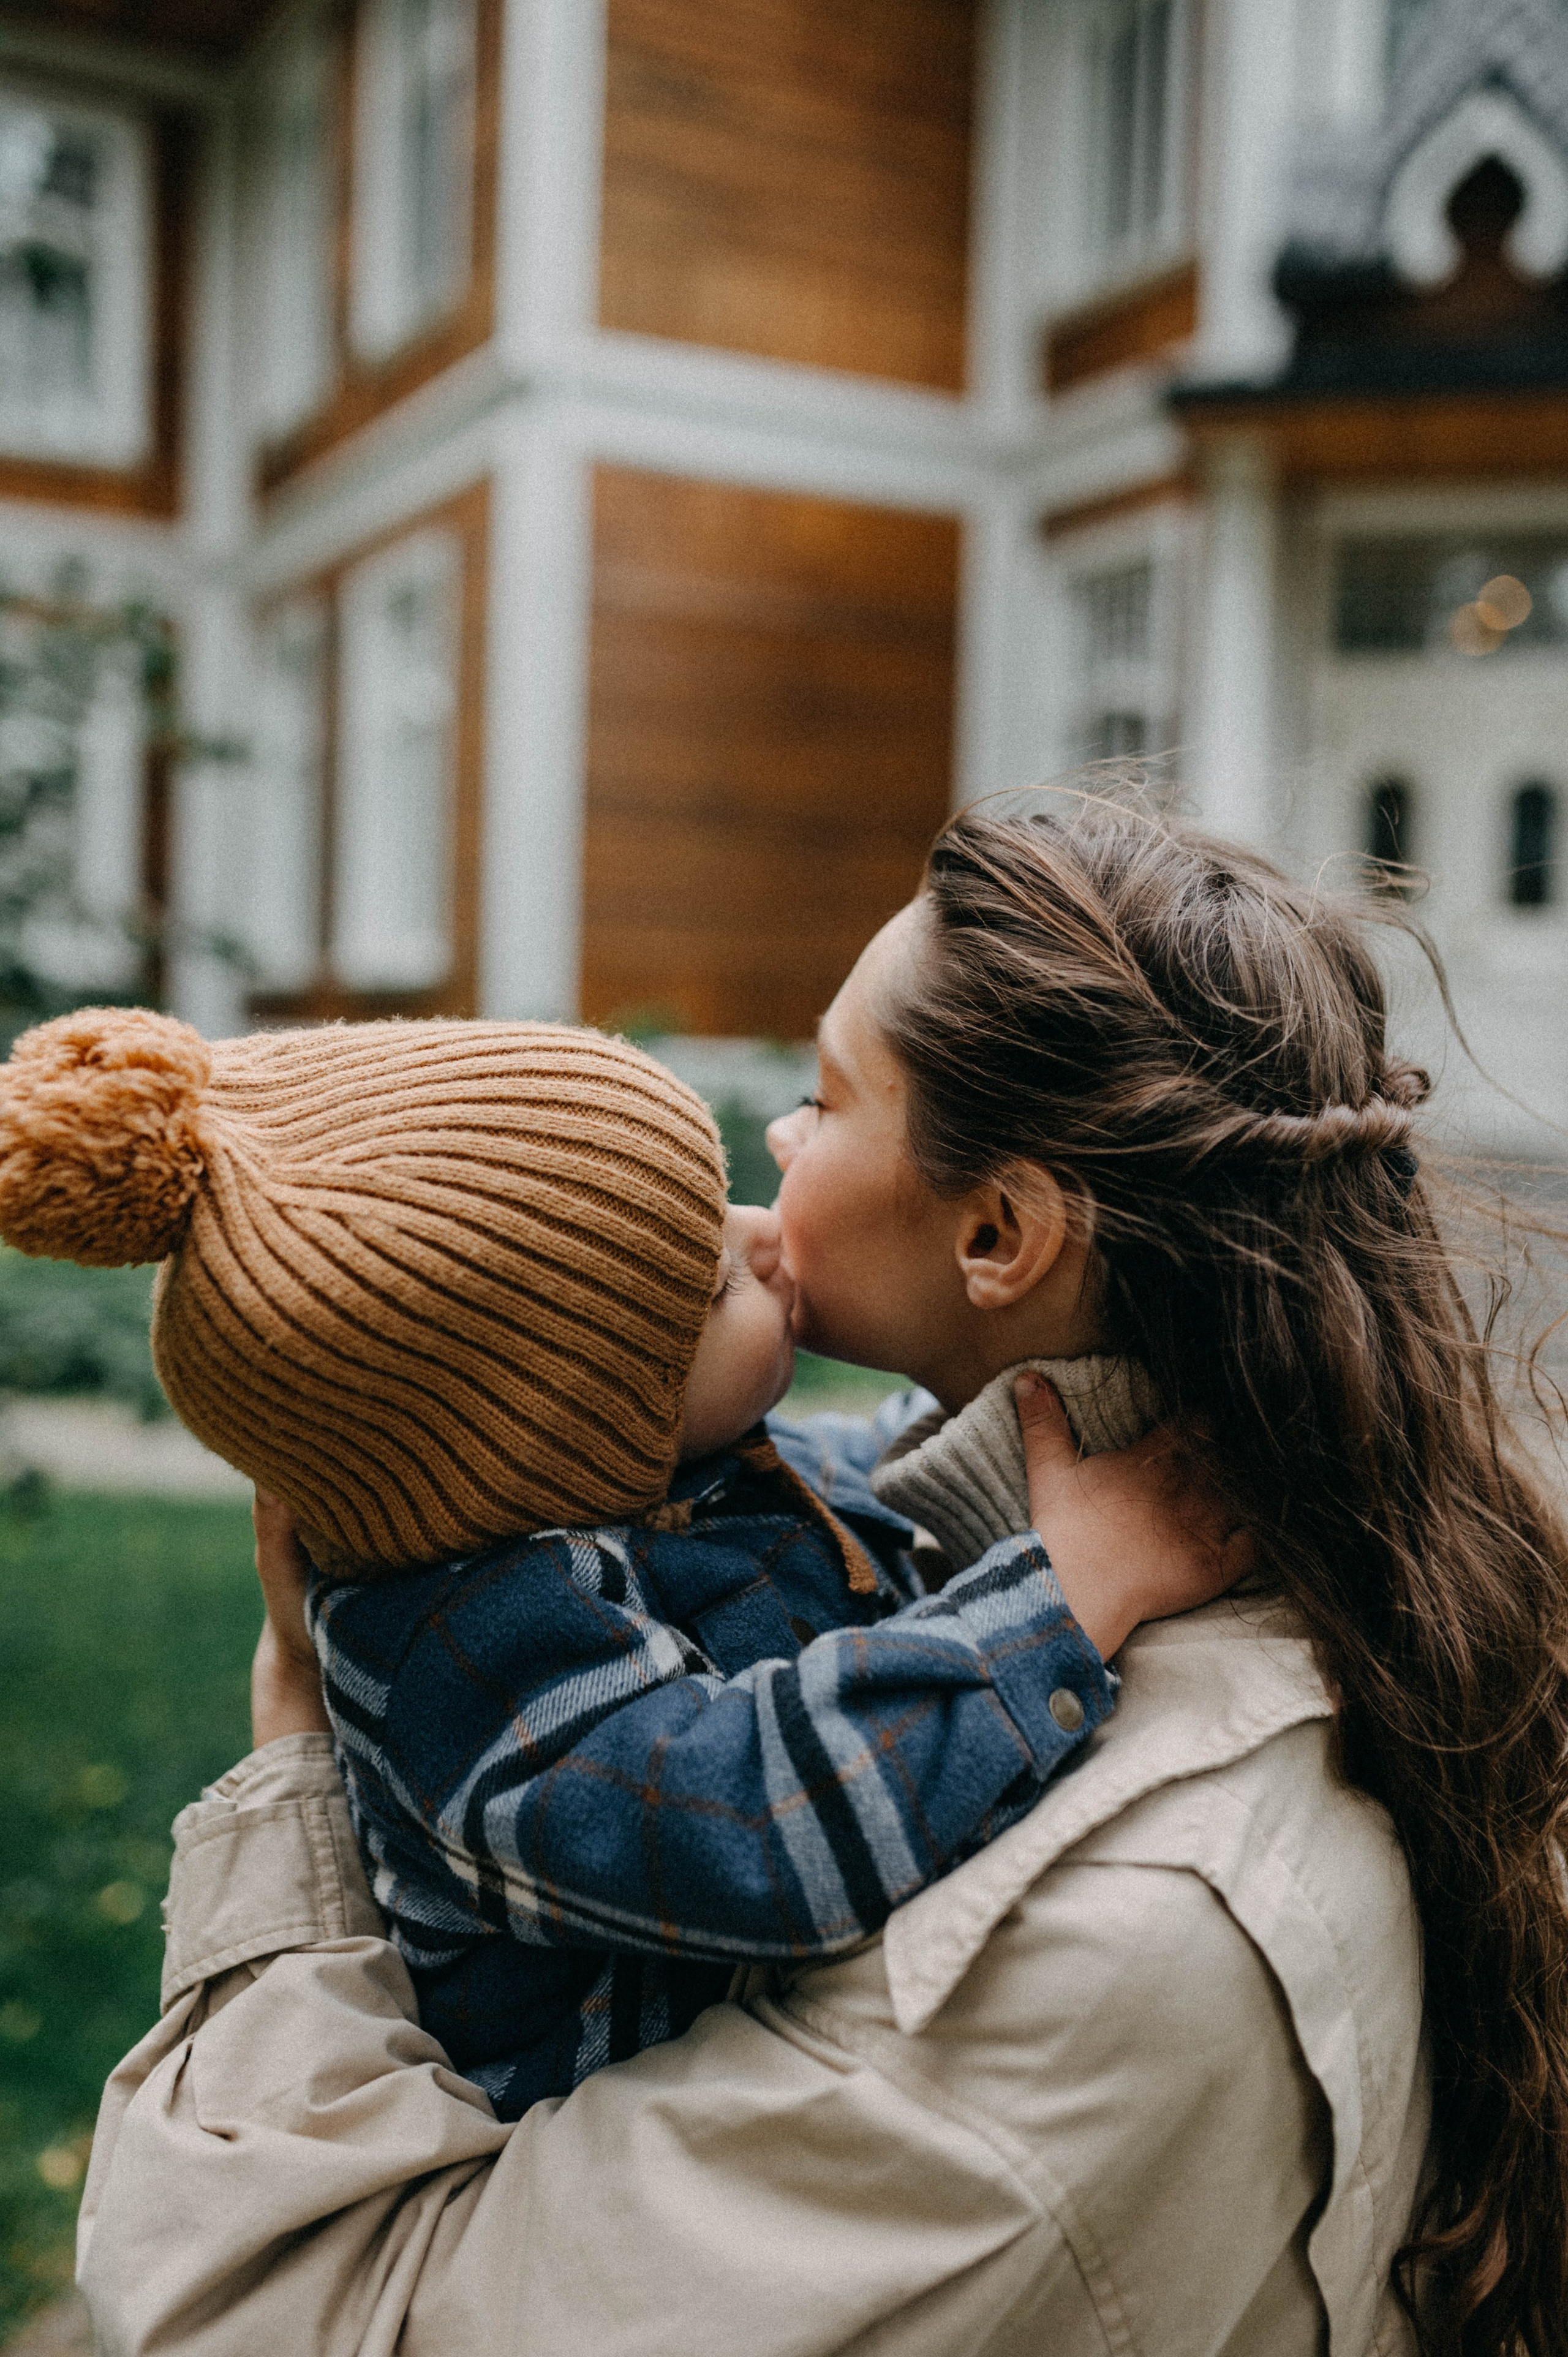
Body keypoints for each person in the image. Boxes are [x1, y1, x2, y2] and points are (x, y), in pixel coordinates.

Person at [75, 795, 1568, 2355]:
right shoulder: (1313, 1547)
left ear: (996, 1232)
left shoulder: (1094, 1950)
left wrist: (297, 1758)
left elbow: (262, 2324)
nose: (773, 1153)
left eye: (818, 1096)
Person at [0, 1006, 1225, 2122]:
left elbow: (839, 1484)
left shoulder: (642, 1487)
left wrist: (1052, 1424)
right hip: (619, 2161)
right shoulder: (484, 1677)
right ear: (549, 1428)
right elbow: (757, 1826)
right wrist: (1064, 1594)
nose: (761, 1236)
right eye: (704, 1283)